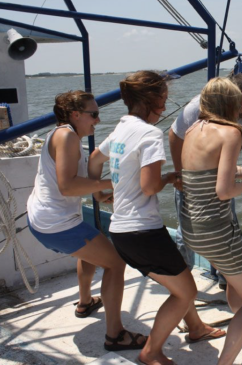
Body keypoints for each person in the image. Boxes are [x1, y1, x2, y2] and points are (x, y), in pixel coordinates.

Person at [89, 71, 204, 365]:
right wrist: (166, 179)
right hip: (143, 232)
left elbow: (94, 160)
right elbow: (149, 186)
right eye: (163, 100)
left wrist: (100, 195)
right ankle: (151, 352)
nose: (165, 108)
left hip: (122, 231)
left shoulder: (120, 129)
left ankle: (197, 327)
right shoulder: (149, 134)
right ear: (150, 99)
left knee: (180, 280)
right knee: (186, 291)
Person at [27, 90, 147, 352]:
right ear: (75, 114)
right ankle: (115, 335)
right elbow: (67, 187)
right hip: (55, 223)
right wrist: (116, 181)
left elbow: (73, 180)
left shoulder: (63, 135)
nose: (98, 120)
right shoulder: (67, 135)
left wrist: (100, 194)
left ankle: (85, 302)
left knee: (92, 249)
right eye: (93, 115)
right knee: (115, 263)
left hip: (46, 219)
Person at [180, 77, 242, 365]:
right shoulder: (231, 133)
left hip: (192, 228)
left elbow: (224, 169)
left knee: (237, 281)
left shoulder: (195, 129)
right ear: (229, 102)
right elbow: (224, 190)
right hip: (217, 231)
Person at [168, 73, 242, 284]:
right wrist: (180, 174)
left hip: (208, 211)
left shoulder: (198, 128)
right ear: (234, 97)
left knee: (194, 233)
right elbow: (174, 135)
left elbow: (222, 167)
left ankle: (222, 278)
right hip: (203, 201)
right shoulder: (200, 112)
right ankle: (184, 283)